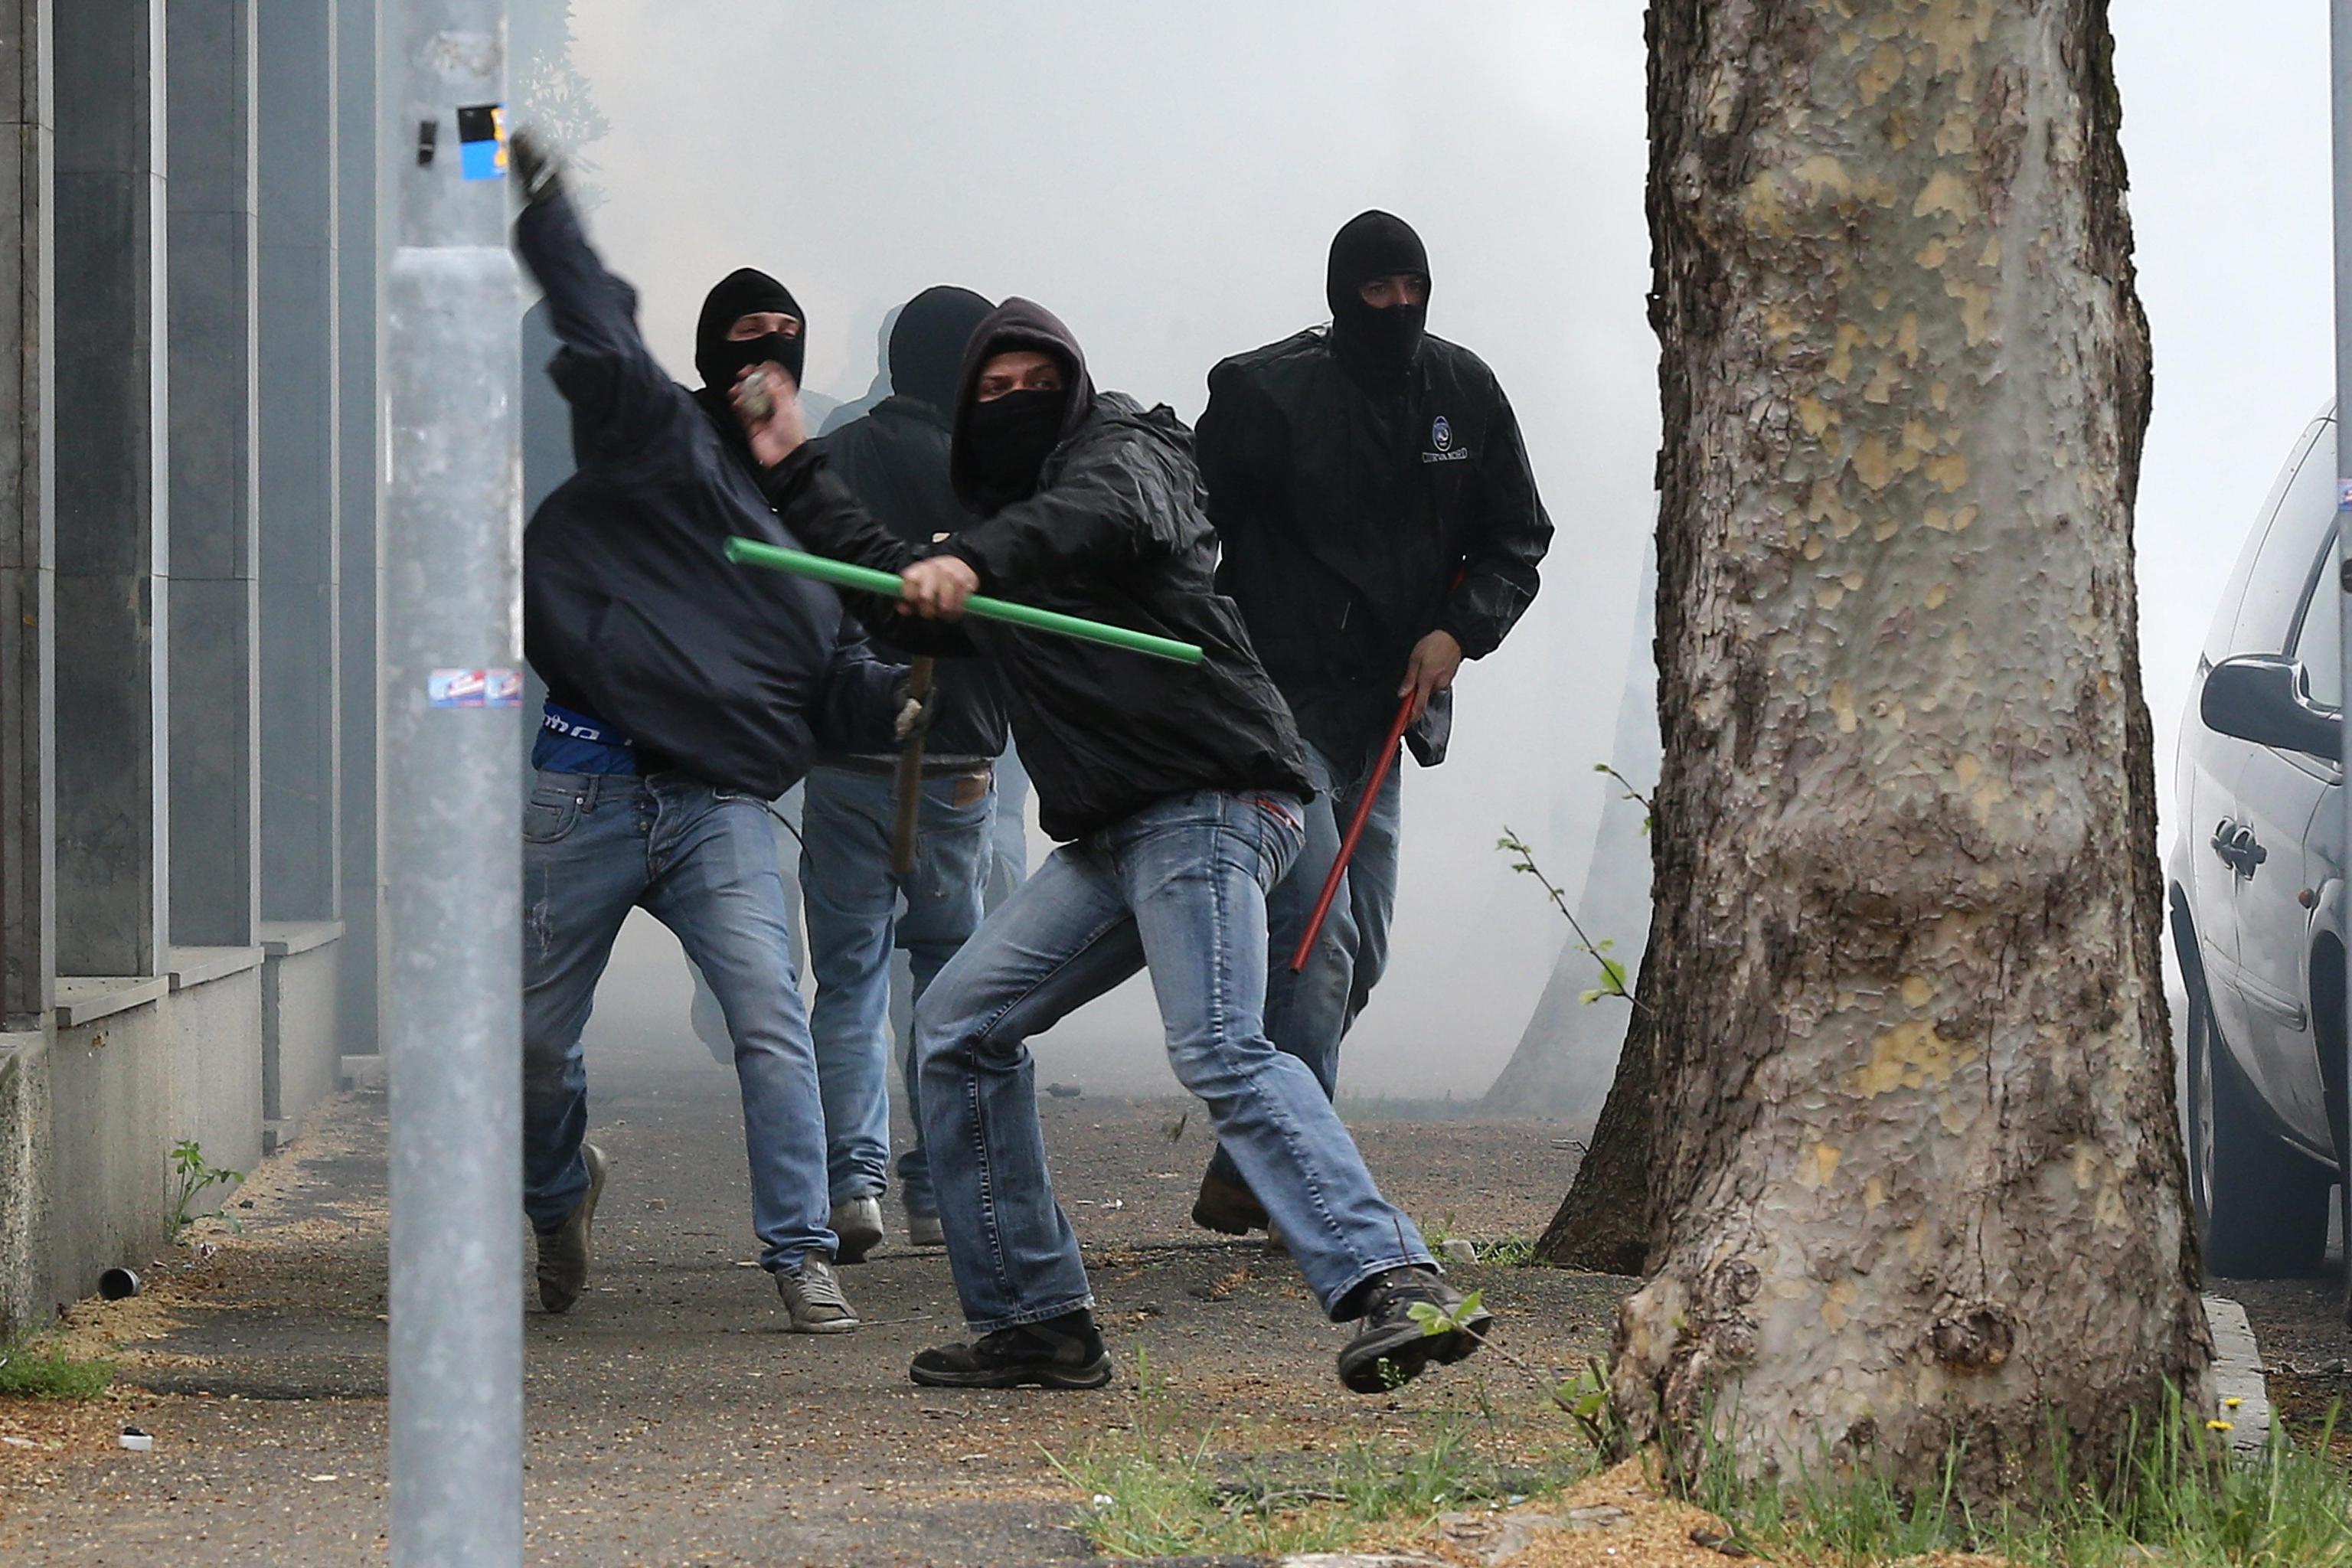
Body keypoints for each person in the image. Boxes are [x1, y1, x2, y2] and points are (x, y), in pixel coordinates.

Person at [748, 298, 1492, 1395]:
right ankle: (1036, 1320)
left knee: (1220, 1047)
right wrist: (795, 467)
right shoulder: (995, 524)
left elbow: (1100, 515)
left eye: (1032, 384)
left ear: (1074, 383)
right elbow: (901, 583)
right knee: (957, 1030)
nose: (1013, 405)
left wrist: (978, 561)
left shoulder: (1128, 452)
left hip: (1212, 796)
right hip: (1112, 828)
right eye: (990, 394)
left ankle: (1394, 1276)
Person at [506, 133, 910, 1334]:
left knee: (771, 1024)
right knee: (529, 1047)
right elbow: (598, 325)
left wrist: (901, 696)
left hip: (722, 805)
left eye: (782, 353)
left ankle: (798, 1252)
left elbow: (838, 677)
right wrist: (545, 211)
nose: (763, 369)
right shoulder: (652, 436)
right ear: (711, 365)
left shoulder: (817, 518)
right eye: (743, 348)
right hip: (582, 779)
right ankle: (558, 1192)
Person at [1187, 211, 1553, 1237]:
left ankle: (1249, 1148)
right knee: (1316, 939)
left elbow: (1517, 537)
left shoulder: (1464, 393)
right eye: (1376, 292)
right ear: (1341, 294)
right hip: (1275, 707)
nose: (1396, 309)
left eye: (1412, 290)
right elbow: (1189, 535)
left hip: (1393, 707)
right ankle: (1297, 1178)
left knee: (1364, 953)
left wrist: (1457, 633)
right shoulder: (1264, 394)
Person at [796, 285, 1001, 1261]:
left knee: (848, 975)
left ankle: (852, 1181)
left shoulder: (833, 453)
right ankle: (936, 1187)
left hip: (844, 755)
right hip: (959, 757)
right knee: (948, 976)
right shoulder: (992, 472)